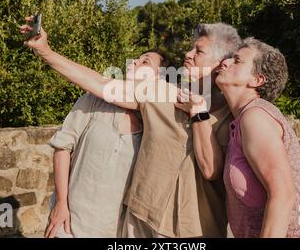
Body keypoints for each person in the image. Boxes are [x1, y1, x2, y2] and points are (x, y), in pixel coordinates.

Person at [20, 18, 242, 237]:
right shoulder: (159, 91)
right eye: (191, 48)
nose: (188, 54)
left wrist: (199, 112)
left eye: (199, 51)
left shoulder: (232, 114)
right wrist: (45, 51)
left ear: (220, 63)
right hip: (140, 221)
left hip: (194, 231)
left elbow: (211, 170)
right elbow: (100, 83)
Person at [44, 50, 168, 238]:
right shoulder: (93, 100)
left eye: (145, 62)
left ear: (159, 78)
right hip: (69, 224)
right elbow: (63, 147)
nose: (134, 61)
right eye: (137, 58)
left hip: (114, 229)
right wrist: (61, 203)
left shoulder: (155, 121)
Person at [213, 37, 300, 237]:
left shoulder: (255, 117)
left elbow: (283, 193)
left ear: (257, 80)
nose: (225, 62)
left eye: (237, 60)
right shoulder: (242, 118)